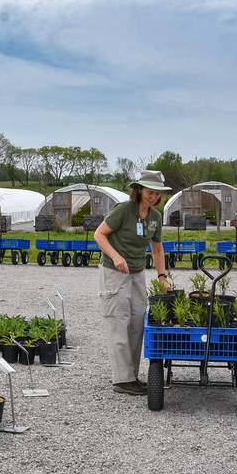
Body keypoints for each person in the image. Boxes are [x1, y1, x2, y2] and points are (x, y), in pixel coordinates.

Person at [94, 169, 170, 395]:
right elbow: (99, 234)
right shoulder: (124, 210)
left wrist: (162, 276)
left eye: (157, 194)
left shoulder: (155, 217)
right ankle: (122, 379)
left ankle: (131, 376)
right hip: (114, 271)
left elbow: (157, 249)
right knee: (118, 321)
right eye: (149, 192)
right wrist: (116, 256)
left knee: (137, 322)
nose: (153, 197)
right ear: (138, 190)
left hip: (137, 272)